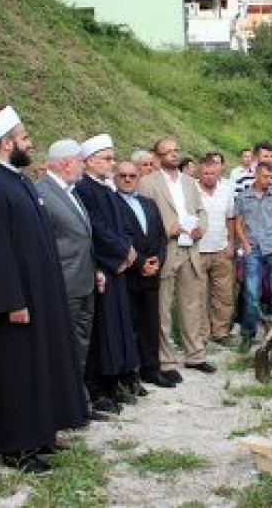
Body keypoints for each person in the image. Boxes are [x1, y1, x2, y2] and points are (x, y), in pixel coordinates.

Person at [0, 105, 87, 474]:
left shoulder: (16, 180)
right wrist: (11, 301)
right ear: (6, 143)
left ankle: (38, 435)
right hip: (15, 302)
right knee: (16, 372)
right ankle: (16, 446)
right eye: (23, 137)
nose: (29, 142)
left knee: (38, 368)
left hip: (39, 295)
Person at [35, 139, 103, 415]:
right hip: (63, 284)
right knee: (64, 348)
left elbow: (82, 238)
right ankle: (64, 405)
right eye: (79, 161)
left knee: (79, 346)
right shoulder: (42, 193)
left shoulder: (70, 192)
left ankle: (77, 402)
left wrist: (94, 270)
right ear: (65, 163)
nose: (83, 166)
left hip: (83, 282)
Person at [74, 134, 142, 409]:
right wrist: (120, 253)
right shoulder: (84, 189)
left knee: (119, 329)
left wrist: (129, 249)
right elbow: (95, 229)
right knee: (102, 331)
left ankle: (115, 383)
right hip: (102, 267)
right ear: (90, 161)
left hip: (118, 266)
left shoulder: (107, 189)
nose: (112, 164)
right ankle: (97, 387)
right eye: (107, 158)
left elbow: (123, 224)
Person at [139, 136, 214, 377]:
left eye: (175, 150)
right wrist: (166, 229)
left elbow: (201, 211)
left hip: (190, 248)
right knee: (163, 308)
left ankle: (195, 355)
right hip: (166, 249)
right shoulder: (148, 183)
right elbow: (144, 218)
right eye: (167, 152)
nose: (174, 154)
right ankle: (166, 360)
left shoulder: (190, 182)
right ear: (158, 157)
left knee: (191, 305)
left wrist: (201, 227)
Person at [113, 161, 175, 389]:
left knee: (151, 323)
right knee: (128, 325)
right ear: (115, 177)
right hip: (129, 273)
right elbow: (119, 238)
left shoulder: (149, 204)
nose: (128, 179)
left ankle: (151, 369)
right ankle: (130, 374)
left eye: (132, 175)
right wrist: (139, 263)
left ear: (138, 178)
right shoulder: (113, 204)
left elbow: (160, 236)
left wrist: (157, 260)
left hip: (152, 272)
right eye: (123, 175)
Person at [235, 162, 272, 344]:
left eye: (271, 177)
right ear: (256, 176)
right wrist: (244, 243)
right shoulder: (244, 196)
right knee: (251, 293)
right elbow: (238, 222)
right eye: (265, 177)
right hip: (253, 248)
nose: (269, 180)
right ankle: (248, 333)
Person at [196, 156, 236, 345]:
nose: (209, 177)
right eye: (205, 173)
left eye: (213, 173)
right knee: (199, 294)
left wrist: (230, 243)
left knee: (223, 294)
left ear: (218, 172)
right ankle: (202, 334)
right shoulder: (192, 190)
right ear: (199, 173)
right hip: (198, 250)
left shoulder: (226, 190)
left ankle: (220, 332)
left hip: (221, 247)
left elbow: (230, 218)